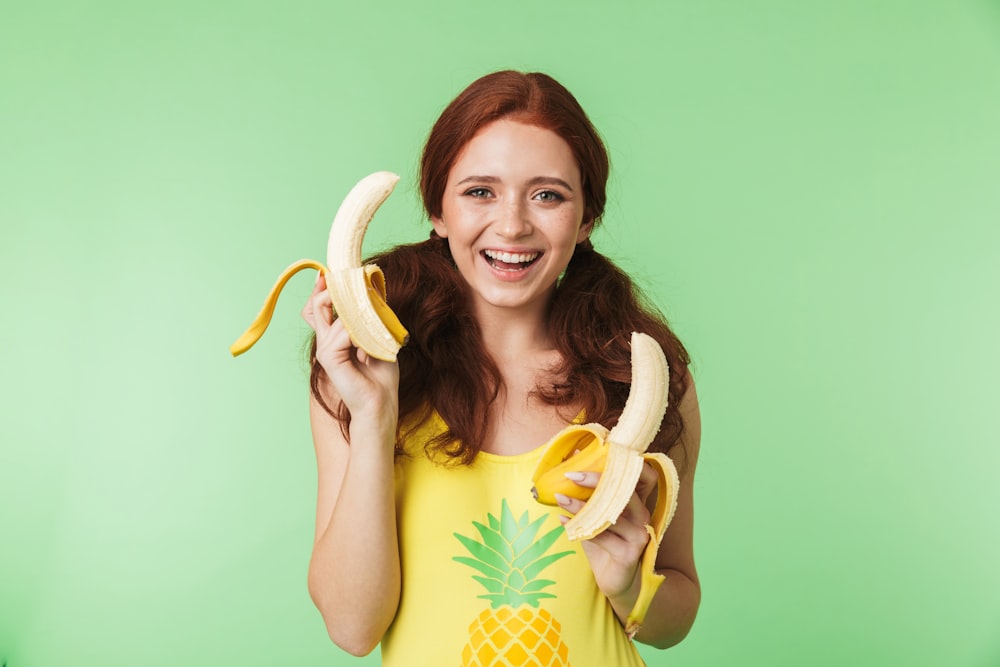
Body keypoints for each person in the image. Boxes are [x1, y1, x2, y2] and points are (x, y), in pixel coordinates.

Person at [300, 70, 701, 666]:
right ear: (437, 210)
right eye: (480, 191)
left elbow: (674, 617)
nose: (512, 225)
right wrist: (375, 417)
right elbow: (354, 629)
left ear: (586, 217)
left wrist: (629, 585)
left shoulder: (640, 376)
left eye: (548, 195)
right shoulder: (365, 373)